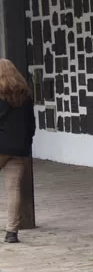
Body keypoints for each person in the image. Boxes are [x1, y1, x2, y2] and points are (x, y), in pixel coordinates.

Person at [0, 58, 35, 244]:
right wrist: (27, 142)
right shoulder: (26, 96)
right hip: (20, 148)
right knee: (14, 190)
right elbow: (31, 124)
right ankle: (11, 232)